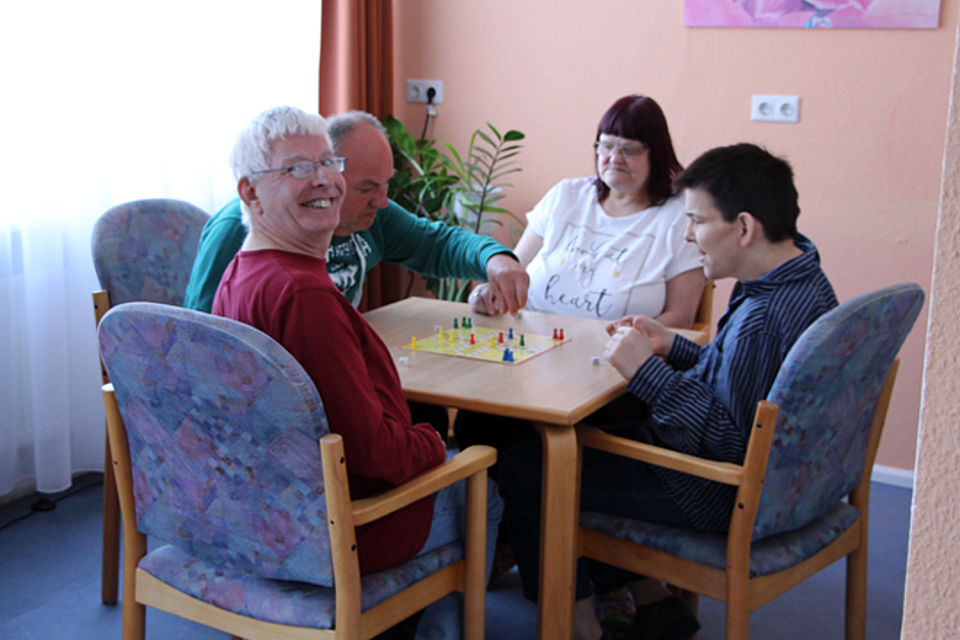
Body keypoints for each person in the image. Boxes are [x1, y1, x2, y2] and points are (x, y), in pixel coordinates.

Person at [497, 143, 839, 640]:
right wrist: (673, 347)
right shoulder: (802, 278)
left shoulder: (760, 319)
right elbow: (745, 382)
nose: (686, 234)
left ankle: (576, 621)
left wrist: (646, 372)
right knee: (595, 430)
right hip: (787, 481)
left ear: (743, 227)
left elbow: (727, 443)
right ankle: (650, 596)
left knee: (527, 466)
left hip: (713, 490)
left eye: (697, 222)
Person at [211, 106, 503, 640]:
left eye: (328, 162)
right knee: (483, 480)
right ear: (251, 194)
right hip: (341, 527)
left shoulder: (241, 273)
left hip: (261, 511)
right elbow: (373, 454)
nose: (324, 178)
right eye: (297, 168)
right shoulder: (304, 295)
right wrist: (433, 442)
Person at [186, 110, 529, 315]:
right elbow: (194, 335)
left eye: (386, 184)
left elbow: (435, 243)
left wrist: (495, 259)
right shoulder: (242, 228)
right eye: (367, 188)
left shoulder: (374, 215)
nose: (382, 201)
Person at [468, 94, 705, 328]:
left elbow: (680, 318)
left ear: (657, 154)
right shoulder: (566, 196)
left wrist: (627, 341)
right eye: (606, 146)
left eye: (629, 150)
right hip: (527, 346)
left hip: (616, 357)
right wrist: (487, 294)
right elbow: (510, 274)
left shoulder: (680, 216)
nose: (614, 159)